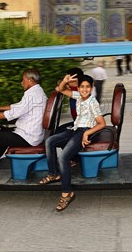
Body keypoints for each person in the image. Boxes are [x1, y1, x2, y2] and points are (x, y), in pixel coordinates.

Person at [40, 73, 106, 211]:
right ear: (78, 87)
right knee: (50, 141)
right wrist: (65, 81)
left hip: (85, 131)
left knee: (63, 157)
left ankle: (67, 193)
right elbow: (61, 89)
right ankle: (53, 174)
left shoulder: (92, 102)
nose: (85, 89)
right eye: (82, 86)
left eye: (88, 87)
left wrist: (87, 133)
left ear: (92, 87)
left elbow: (102, 123)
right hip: (76, 129)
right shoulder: (78, 97)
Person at [0, 69, 48, 184]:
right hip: (30, 133)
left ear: (30, 80)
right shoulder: (36, 92)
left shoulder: (33, 94)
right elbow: (18, 106)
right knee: (2, 132)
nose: (22, 83)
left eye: (23, 80)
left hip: (28, 137)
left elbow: (15, 113)